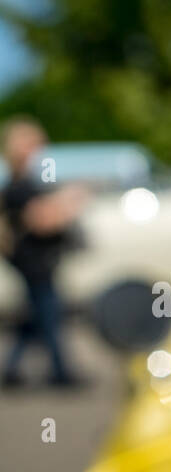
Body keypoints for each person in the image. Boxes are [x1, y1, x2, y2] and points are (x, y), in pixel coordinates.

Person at [1, 116, 88, 388]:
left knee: (38, 316)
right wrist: (68, 204)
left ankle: (13, 370)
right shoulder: (20, 184)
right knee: (49, 315)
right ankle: (60, 372)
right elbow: (40, 220)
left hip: (33, 261)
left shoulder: (22, 181)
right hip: (34, 261)